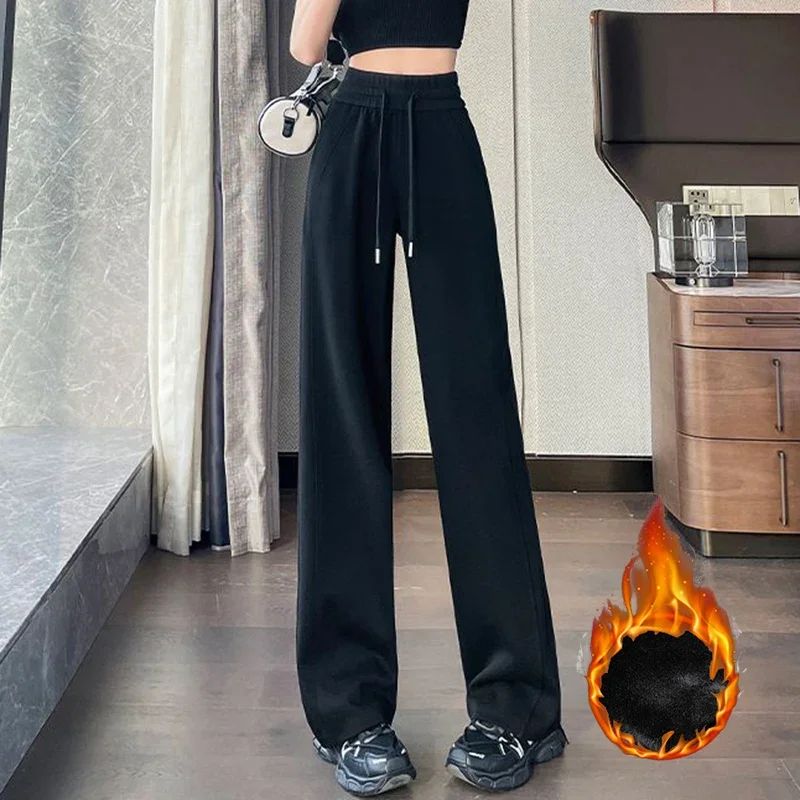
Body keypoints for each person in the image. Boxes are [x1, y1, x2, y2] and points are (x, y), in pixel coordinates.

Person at [289, 1, 567, 795]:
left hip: (439, 125)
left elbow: (313, 38)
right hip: (354, 128)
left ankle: (515, 708)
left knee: (474, 411)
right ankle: (352, 716)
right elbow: (307, 49)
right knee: (345, 414)